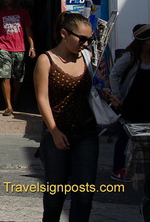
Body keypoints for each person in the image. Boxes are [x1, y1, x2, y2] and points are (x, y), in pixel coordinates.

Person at [34, 12, 98, 221]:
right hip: (57, 132)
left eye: (89, 39)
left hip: (86, 132)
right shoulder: (47, 60)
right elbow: (42, 99)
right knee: (55, 194)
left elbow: (92, 90)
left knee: (84, 194)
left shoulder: (87, 57)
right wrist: (54, 131)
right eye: (82, 39)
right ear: (64, 34)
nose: (86, 44)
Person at [109, 23, 150, 181]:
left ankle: (143, 170)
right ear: (145, 40)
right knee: (125, 137)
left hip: (147, 105)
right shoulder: (131, 57)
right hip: (130, 104)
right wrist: (117, 97)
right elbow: (114, 75)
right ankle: (118, 169)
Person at [0, 0, 36, 116]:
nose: (6, 1)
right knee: (5, 76)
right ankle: (8, 105)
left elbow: (28, 31)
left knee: (18, 78)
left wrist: (32, 47)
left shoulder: (23, 13)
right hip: (3, 48)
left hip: (19, 49)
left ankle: (15, 96)